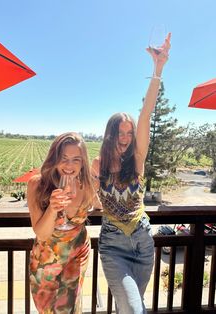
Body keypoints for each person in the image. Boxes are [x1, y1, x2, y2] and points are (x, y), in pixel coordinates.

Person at [91, 33, 171, 313]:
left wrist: (157, 70)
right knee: (134, 309)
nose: (125, 137)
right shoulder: (97, 165)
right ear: (110, 134)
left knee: (133, 306)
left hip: (143, 241)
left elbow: (146, 114)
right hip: (113, 245)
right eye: (119, 132)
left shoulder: (137, 160)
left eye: (129, 132)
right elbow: (91, 202)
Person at [27, 132, 95, 314]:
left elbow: (100, 204)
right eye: (64, 158)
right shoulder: (36, 185)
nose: (69, 166)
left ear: (83, 163)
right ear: (54, 158)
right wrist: (52, 208)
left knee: (68, 309)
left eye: (76, 160)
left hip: (77, 254)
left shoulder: (89, 184)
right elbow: (41, 234)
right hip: (46, 260)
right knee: (48, 310)